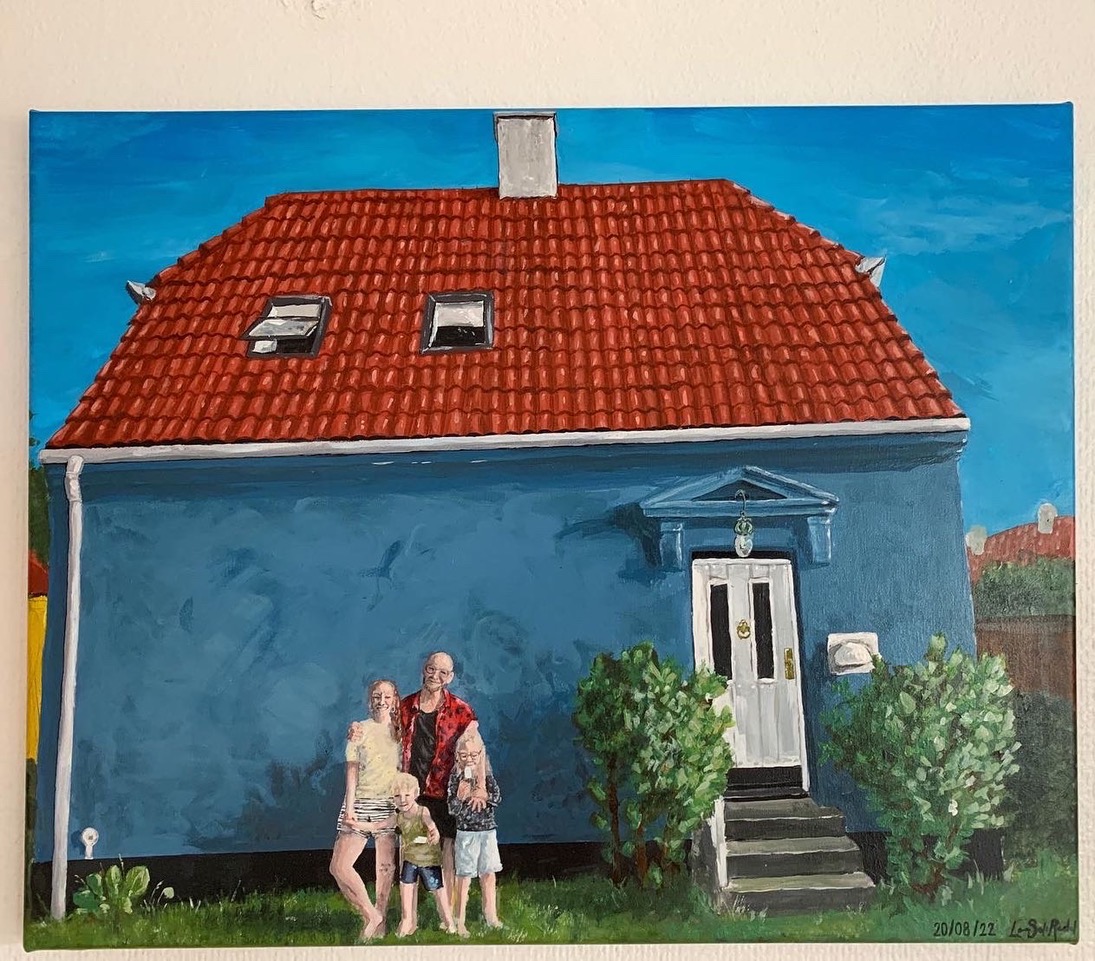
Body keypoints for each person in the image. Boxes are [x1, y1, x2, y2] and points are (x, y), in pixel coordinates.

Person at [399, 651, 479, 907]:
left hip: (444, 789)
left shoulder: (461, 711)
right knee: (408, 846)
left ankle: (451, 911)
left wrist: (468, 781)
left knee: (447, 848)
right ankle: (409, 913)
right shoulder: (404, 707)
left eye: (443, 672)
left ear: (450, 677)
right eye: (431, 669)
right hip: (411, 789)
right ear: (424, 669)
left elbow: (473, 751)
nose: (435, 675)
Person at [330, 678, 401, 941]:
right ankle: (370, 914)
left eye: (387, 696)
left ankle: (379, 927)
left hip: (388, 803)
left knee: (385, 868)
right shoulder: (360, 730)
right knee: (339, 866)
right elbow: (352, 771)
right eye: (377, 696)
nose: (382, 701)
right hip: (359, 802)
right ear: (370, 700)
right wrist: (349, 807)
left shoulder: (402, 731)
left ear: (395, 700)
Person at [447, 728, 502, 936]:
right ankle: (459, 920)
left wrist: (484, 795)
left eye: (473, 755)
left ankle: (491, 917)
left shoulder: (487, 777)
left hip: (487, 832)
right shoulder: (456, 778)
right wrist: (460, 797)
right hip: (466, 833)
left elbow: (497, 797)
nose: (469, 759)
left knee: (488, 874)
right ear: (457, 756)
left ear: (481, 755)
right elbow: (452, 808)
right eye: (463, 755)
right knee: (464, 877)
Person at [391, 771, 455, 937]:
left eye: (407, 795)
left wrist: (434, 832)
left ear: (416, 794)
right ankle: (407, 921)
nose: (402, 799)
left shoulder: (422, 811)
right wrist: (360, 824)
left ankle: (449, 922)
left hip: (428, 862)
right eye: (397, 796)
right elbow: (380, 825)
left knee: (438, 890)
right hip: (410, 861)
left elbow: (431, 825)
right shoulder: (398, 817)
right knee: (406, 886)